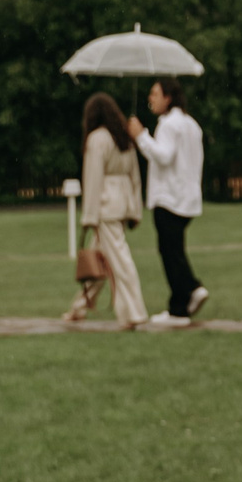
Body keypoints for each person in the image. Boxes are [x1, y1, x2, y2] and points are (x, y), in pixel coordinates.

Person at [128, 77, 207, 328]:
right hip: (187, 198)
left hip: (169, 197)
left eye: (155, 93)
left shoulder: (168, 124)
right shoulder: (191, 124)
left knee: (169, 252)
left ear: (168, 97)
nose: (150, 98)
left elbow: (163, 156)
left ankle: (184, 301)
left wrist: (140, 136)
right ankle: (185, 298)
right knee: (174, 250)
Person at [70, 93, 149, 328]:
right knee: (100, 259)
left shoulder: (97, 139)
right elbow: (135, 177)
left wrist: (89, 216)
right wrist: (135, 210)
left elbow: (93, 178)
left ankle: (134, 312)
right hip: (122, 203)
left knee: (119, 261)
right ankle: (80, 306)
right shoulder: (123, 138)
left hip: (106, 206)